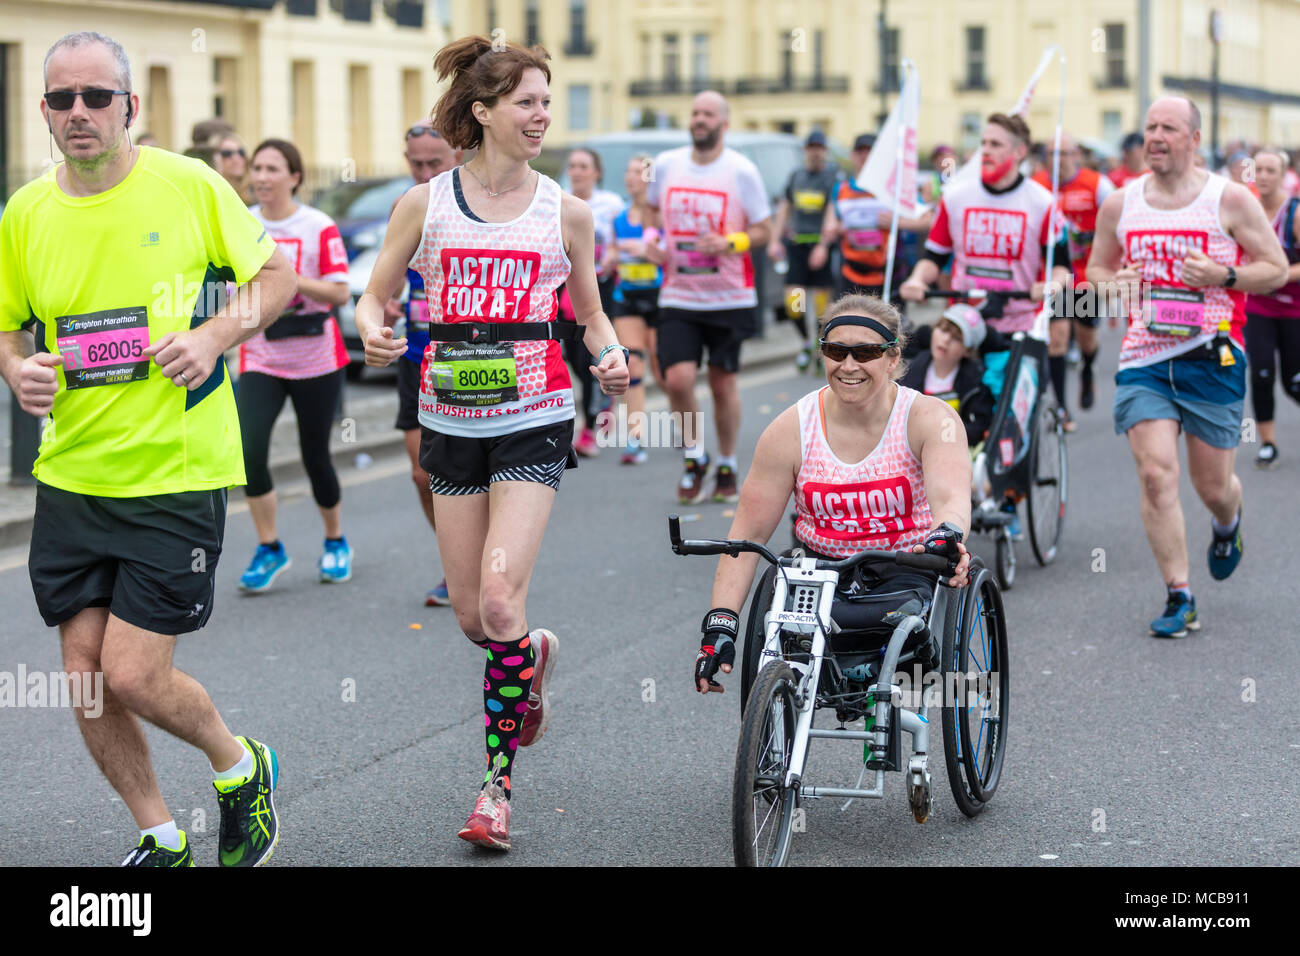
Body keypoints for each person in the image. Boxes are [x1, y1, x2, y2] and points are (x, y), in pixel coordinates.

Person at [0, 31, 296, 866]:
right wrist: (19, 372)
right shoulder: (25, 212)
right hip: (72, 477)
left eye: (98, 97)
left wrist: (211, 336)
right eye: (62, 99)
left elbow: (274, 279)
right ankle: (160, 835)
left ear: (131, 106)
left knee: (132, 674)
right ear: (47, 110)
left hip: (175, 469)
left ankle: (241, 767)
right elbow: (10, 328)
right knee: (85, 674)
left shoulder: (188, 185)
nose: (80, 113)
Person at [354, 36, 628, 850]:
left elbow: (587, 313)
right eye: (527, 102)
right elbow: (373, 298)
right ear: (483, 112)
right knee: (478, 619)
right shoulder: (427, 203)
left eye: (547, 101)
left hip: (535, 413)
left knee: (501, 599)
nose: (543, 115)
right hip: (450, 420)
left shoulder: (565, 212)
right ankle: (531, 654)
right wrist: (374, 331)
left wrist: (609, 355)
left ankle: (495, 792)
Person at [690, 295, 971, 695]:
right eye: (836, 351)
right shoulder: (790, 429)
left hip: (903, 568)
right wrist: (721, 623)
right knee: (780, 637)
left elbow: (952, 496)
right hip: (818, 575)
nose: (849, 366)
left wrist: (948, 533)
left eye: (866, 352)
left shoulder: (929, 419)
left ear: (893, 358)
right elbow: (746, 537)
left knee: (902, 635)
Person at [1087, 96, 1288, 638]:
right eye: (1150, 126)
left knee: (1212, 486)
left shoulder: (1231, 199)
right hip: (1144, 359)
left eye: (1168, 128)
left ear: (1193, 138)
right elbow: (1097, 271)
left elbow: (1274, 270)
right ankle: (1180, 595)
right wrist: (1114, 285)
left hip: (1213, 356)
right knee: (1156, 476)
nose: (1155, 136)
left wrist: (1223, 275)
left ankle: (1228, 520)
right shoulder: (1121, 203)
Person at [235, 138, 354, 591]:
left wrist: (289, 280)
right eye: (257, 168)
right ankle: (270, 547)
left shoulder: (317, 225)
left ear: (295, 176)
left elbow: (341, 293)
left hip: (315, 356)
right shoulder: (243, 223)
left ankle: (335, 539)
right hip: (262, 353)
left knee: (315, 455)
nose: (261, 177)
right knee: (248, 452)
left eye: (272, 169)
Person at [647, 90, 772, 505]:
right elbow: (649, 211)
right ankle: (694, 455)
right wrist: (652, 240)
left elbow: (764, 229)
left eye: (708, 114)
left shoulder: (741, 171)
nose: (699, 119)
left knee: (722, 385)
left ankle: (726, 462)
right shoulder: (666, 164)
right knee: (677, 378)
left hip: (729, 296)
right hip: (679, 294)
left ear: (724, 123)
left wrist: (731, 242)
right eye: (695, 112)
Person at [385, 124, 462, 605]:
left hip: (461, 358)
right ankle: (455, 564)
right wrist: (387, 306)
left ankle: (481, 560)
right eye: (417, 163)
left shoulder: (469, 205)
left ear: (456, 154)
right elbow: (386, 279)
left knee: (467, 473)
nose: (425, 172)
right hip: (415, 355)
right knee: (421, 474)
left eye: (435, 163)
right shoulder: (407, 205)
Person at [1032, 131, 1115, 418]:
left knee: (1086, 336)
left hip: (1085, 276)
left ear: (1076, 156)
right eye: (1052, 154)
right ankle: (1062, 406)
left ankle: (1088, 367)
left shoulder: (1097, 185)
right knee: (1057, 337)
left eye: (1064, 154)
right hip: (1053, 275)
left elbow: (1118, 223)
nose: (1058, 160)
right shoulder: (1036, 186)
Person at [811, 132, 930, 307]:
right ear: (853, 156)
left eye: (870, 151)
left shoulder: (894, 189)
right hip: (851, 275)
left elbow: (929, 221)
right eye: (860, 151)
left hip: (888, 276)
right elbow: (830, 223)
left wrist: (898, 223)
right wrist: (823, 243)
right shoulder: (841, 189)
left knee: (889, 331)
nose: (865, 156)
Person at [561, 147, 623, 457]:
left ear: (596, 172)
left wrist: (613, 254)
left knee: (590, 361)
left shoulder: (610, 204)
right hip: (566, 290)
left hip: (600, 287)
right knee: (572, 356)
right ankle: (602, 403)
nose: (577, 171)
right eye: (572, 165)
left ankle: (587, 430)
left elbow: (620, 238)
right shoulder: (559, 201)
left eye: (583, 166)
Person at [1242, 147, 1300, 468]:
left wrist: (1276, 277)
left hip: (1293, 308)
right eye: (1258, 170)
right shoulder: (1245, 209)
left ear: (1283, 175)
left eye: (1270, 170)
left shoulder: (1294, 213)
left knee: (1294, 381)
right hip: (1258, 307)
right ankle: (1267, 443)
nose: (1263, 176)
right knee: (1261, 373)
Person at [767, 130, 842, 370]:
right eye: (811, 147)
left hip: (820, 246)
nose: (815, 152)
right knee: (794, 303)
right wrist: (775, 240)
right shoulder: (796, 176)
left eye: (819, 147)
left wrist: (822, 246)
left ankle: (822, 347)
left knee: (822, 307)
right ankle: (806, 341)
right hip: (797, 245)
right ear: (805, 150)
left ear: (825, 151)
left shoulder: (832, 178)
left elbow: (832, 212)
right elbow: (784, 209)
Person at [609, 153, 664, 464]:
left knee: (664, 371)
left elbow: (667, 254)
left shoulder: (661, 216)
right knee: (633, 367)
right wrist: (611, 257)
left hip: (660, 299)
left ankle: (685, 431)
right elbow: (614, 252)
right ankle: (636, 438)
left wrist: (644, 250)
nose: (631, 177)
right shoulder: (619, 217)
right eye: (628, 171)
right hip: (627, 297)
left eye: (637, 172)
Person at [216, 133, 253, 205]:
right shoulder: (212, 191)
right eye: (227, 153)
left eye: (241, 152)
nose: (236, 159)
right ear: (216, 159)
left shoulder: (255, 192)